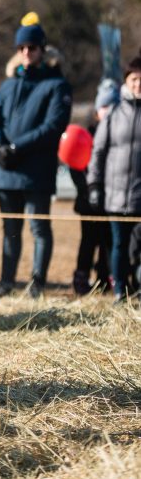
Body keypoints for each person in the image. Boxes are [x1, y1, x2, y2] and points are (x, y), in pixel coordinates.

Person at [0, 13, 72, 299]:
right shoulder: (8, 84)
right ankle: (6, 282)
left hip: (37, 170)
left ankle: (37, 284)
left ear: (42, 49)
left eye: (32, 47)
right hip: (6, 170)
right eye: (21, 48)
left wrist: (17, 147)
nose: (26, 52)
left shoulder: (56, 84)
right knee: (10, 230)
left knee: (38, 228)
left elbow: (52, 127)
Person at [87, 50, 141, 303]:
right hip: (116, 195)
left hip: (140, 197)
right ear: (126, 83)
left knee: (137, 249)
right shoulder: (113, 117)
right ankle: (120, 289)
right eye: (134, 80)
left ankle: (137, 287)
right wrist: (95, 186)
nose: (138, 84)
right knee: (117, 246)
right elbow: (97, 152)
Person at [71, 78, 118, 295]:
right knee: (88, 242)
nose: (107, 111)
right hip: (88, 202)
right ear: (97, 111)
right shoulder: (86, 134)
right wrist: (87, 189)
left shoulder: (120, 135)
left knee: (109, 242)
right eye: (103, 107)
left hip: (113, 201)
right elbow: (75, 165)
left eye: (111, 106)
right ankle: (81, 278)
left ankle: (105, 278)